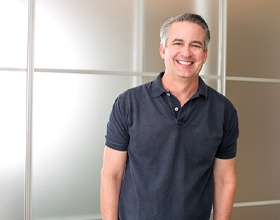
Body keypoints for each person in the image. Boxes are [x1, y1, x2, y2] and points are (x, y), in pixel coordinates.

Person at [100, 12, 239, 220]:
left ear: (205, 54)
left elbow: (224, 179)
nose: (186, 53)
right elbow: (112, 174)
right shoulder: (128, 103)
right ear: (163, 49)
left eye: (195, 45)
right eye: (178, 43)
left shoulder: (223, 111)